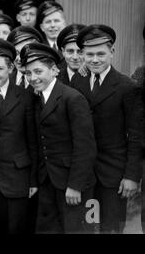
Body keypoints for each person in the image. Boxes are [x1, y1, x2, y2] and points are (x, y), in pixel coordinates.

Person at [71, 24, 144, 233]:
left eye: (101, 54)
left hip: (114, 175)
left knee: (111, 227)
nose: (95, 59)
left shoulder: (127, 87)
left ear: (112, 52)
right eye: (89, 54)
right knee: (88, 224)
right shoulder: (78, 81)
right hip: (85, 173)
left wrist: (132, 176)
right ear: (83, 54)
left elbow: (136, 136)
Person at [20, 42, 97, 234]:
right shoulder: (36, 99)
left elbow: (85, 146)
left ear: (54, 70)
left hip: (72, 184)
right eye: (28, 74)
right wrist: (35, 181)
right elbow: (38, 144)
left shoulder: (72, 98)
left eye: (38, 71)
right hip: (48, 181)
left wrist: (75, 186)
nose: (33, 78)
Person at [0, 39, 38, 234]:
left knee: (16, 227)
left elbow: (33, 140)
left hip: (17, 176)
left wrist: (33, 180)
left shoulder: (26, 96)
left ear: (11, 68)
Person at [7, 26, 44, 92]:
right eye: (16, 53)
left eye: (24, 53)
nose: (19, 58)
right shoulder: (4, 81)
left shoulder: (48, 80)